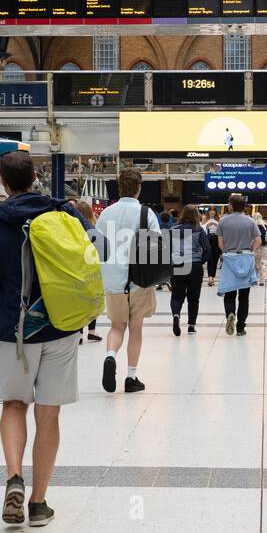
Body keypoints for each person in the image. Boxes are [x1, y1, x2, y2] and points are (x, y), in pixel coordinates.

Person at [0, 150, 89, 528]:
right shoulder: (64, 214)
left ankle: (14, 477)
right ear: (35, 176)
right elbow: (84, 264)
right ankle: (38, 503)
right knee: (48, 413)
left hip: (12, 330)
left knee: (14, 405)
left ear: (2, 182)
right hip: (59, 325)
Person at [93, 166, 161, 393]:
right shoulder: (146, 213)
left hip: (113, 280)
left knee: (116, 326)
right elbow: (156, 246)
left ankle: (110, 355)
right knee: (136, 327)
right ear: (138, 189)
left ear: (120, 188)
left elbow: (98, 246)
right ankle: (131, 377)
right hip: (139, 280)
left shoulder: (105, 213)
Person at [217, 194, 259, 336]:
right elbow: (258, 239)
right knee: (244, 296)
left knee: (229, 293)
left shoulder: (223, 221)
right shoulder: (250, 221)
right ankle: (240, 327)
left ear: (231, 205)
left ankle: (230, 313)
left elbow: (220, 243)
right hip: (246, 258)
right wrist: (252, 250)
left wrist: (225, 252)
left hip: (230, 258)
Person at [169, 204, 209, 336]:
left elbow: (166, 249)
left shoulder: (173, 229)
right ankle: (191, 326)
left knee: (176, 295)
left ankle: (176, 315)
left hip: (178, 264)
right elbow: (207, 249)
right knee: (194, 297)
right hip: (194, 265)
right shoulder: (199, 230)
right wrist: (201, 260)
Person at [73, 199, 103, 343]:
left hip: (76, 269)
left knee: (78, 301)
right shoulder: (94, 228)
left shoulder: (71, 227)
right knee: (94, 300)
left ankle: (78, 333)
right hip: (93, 269)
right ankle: (92, 330)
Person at [204, 210, 220, 286]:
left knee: (215, 259)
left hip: (217, 239)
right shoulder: (205, 219)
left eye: (213, 212)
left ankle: (212, 277)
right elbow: (203, 228)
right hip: (208, 238)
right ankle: (210, 277)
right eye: (211, 212)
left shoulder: (218, 220)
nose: (212, 213)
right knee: (210, 258)